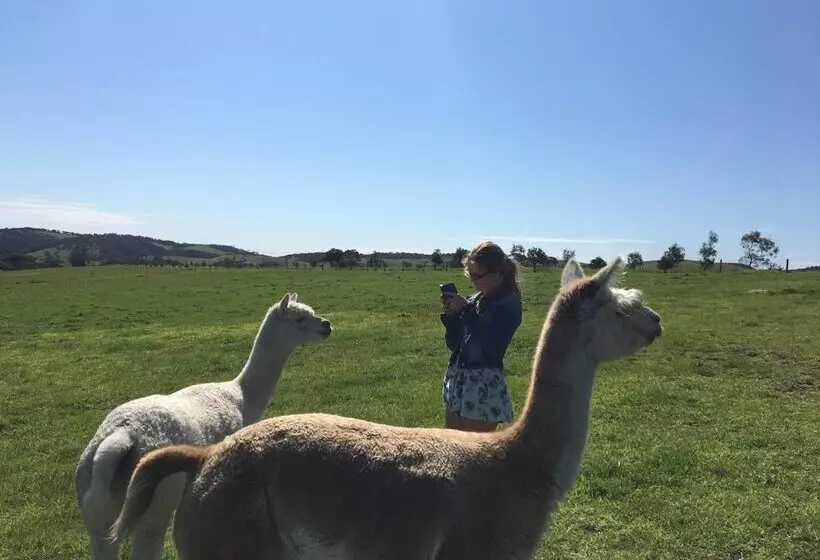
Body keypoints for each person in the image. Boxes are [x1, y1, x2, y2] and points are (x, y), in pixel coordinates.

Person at [439, 241, 523, 432]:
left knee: (476, 457)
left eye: (478, 275)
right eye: (470, 274)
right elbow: (454, 344)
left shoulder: (508, 304)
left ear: (498, 273)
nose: (473, 280)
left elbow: (490, 345)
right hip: (460, 383)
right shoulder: (476, 299)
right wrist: (452, 317)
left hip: (482, 387)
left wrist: (466, 310)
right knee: (453, 451)